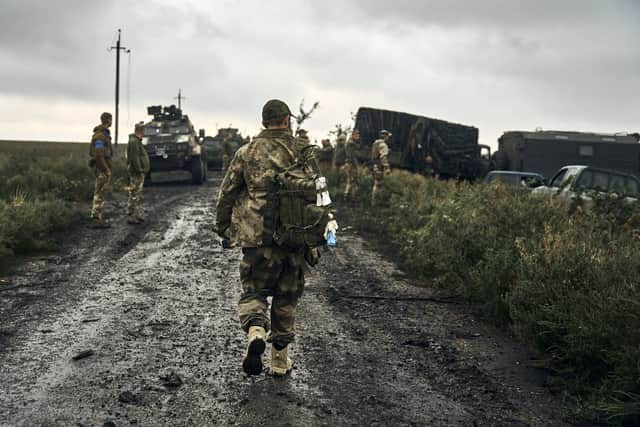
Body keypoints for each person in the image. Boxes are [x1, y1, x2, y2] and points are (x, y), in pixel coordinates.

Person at [215, 99, 317, 377]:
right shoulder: (302, 151)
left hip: (256, 237)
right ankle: (280, 362)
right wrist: (324, 234)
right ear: (287, 120)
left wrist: (222, 226)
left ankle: (256, 331)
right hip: (294, 238)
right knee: (286, 298)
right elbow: (320, 192)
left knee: (254, 291)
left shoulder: (246, 152)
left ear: (263, 122)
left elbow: (227, 193)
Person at [89, 112, 113, 228]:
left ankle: (98, 217)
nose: (111, 121)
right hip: (101, 169)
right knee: (99, 193)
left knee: (101, 193)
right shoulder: (100, 136)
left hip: (102, 167)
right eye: (110, 119)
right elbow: (99, 155)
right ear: (107, 120)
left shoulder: (104, 134)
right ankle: (96, 219)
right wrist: (106, 169)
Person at [126, 122, 150, 224]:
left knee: (136, 194)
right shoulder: (134, 142)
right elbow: (134, 158)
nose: (145, 133)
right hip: (136, 172)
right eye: (144, 130)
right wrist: (139, 169)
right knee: (134, 193)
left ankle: (134, 214)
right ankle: (131, 215)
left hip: (138, 172)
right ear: (140, 130)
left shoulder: (136, 141)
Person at [370, 129, 391, 207]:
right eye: (388, 136)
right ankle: (375, 203)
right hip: (379, 165)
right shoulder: (384, 145)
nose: (388, 138)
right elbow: (383, 157)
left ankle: (374, 202)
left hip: (374, 164)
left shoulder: (376, 143)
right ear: (385, 137)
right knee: (378, 184)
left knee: (376, 183)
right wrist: (387, 167)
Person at [343, 130, 360, 198]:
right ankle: (350, 196)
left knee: (350, 180)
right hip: (351, 163)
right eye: (357, 135)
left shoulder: (350, 143)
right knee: (353, 180)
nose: (358, 137)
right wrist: (356, 165)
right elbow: (352, 156)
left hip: (348, 163)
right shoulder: (351, 143)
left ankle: (347, 195)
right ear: (353, 135)